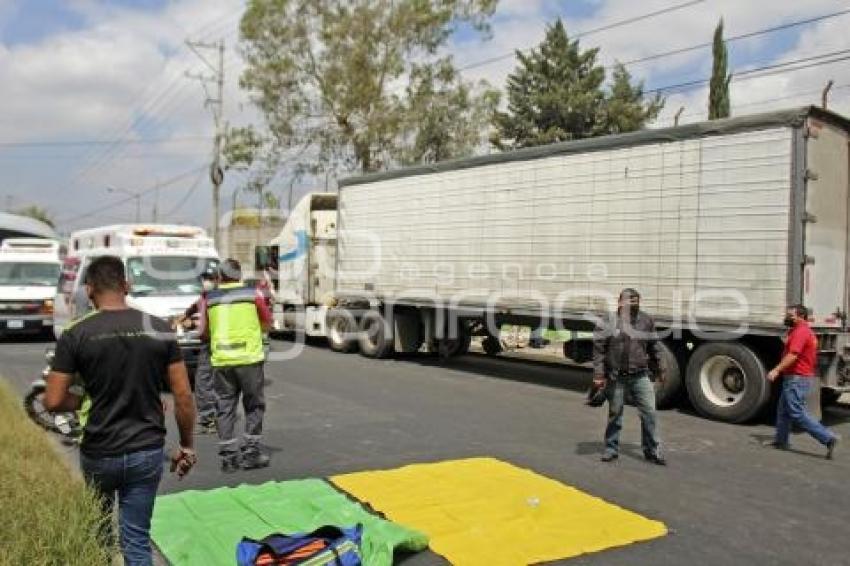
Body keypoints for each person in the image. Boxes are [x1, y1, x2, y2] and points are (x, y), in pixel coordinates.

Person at [45, 255, 197, 566]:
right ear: (126, 285)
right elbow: (183, 396)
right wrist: (186, 446)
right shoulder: (158, 328)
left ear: (89, 290)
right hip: (146, 452)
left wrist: (86, 398)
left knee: (99, 534)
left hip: (99, 451)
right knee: (136, 539)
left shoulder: (75, 334)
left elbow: (53, 401)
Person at [197, 259, 273, 472]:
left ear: (220, 277)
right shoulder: (253, 294)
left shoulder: (209, 299)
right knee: (254, 405)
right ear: (239, 275)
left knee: (225, 406)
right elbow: (267, 323)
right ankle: (251, 453)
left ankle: (229, 458)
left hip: (222, 361)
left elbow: (202, 332)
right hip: (249, 359)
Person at [592, 288, 666, 465]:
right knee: (615, 414)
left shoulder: (646, 320)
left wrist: (661, 369)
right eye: (629, 301)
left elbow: (654, 345)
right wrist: (599, 375)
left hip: (640, 376)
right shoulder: (608, 321)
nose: (633, 305)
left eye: (636, 302)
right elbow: (599, 350)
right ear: (619, 303)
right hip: (616, 376)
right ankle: (611, 448)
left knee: (649, 413)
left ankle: (652, 451)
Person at [767, 304, 840, 459]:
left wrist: (776, 370)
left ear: (801, 316)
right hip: (795, 377)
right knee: (784, 411)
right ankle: (781, 441)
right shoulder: (800, 331)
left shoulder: (801, 332)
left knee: (796, 412)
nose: (787, 317)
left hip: (796, 378)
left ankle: (828, 438)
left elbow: (793, 355)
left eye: (791, 315)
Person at [175, 271, 218, 434]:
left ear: (216, 280)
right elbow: (192, 308)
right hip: (211, 344)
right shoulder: (204, 297)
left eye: (209, 280)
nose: (206, 283)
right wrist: (182, 318)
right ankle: (215, 417)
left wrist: (191, 324)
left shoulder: (214, 299)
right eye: (204, 280)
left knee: (203, 382)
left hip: (212, 344)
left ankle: (208, 419)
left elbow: (207, 325)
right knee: (213, 382)